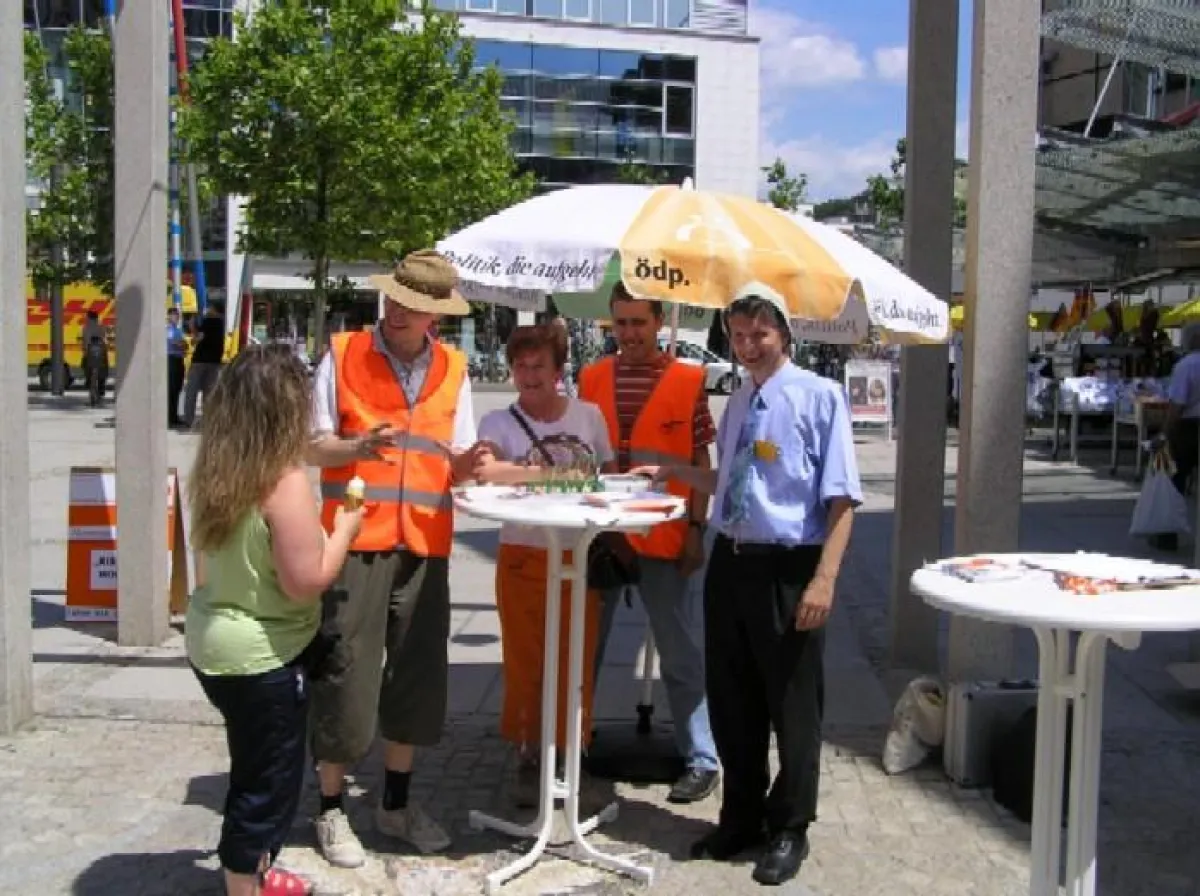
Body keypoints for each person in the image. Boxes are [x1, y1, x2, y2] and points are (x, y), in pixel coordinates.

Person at [637, 291, 861, 886]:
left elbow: (842, 499)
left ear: (784, 334)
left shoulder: (820, 397)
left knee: (792, 705)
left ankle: (790, 828)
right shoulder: (739, 399)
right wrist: (674, 472)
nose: (747, 345)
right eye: (737, 335)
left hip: (789, 567)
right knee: (733, 700)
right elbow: (732, 477)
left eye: (759, 333)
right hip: (730, 563)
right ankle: (741, 816)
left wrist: (825, 579)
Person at [305, 250, 488, 866]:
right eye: (397, 297)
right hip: (355, 540)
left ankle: (396, 804)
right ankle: (330, 811)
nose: (399, 310)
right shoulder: (343, 353)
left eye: (416, 305)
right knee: (345, 672)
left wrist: (470, 463)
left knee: (416, 678)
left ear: (437, 316)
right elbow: (312, 446)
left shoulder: (455, 369)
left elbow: (457, 456)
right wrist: (356, 445)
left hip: (426, 543)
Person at [186, 344, 365, 896]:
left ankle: (255, 869)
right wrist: (346, 531)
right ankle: (245, 882)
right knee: (266, 784)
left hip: (213, 644)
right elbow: (306, 579)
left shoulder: (217, 467)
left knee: (252, 764)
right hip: (262, 657)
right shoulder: (282, 483)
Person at [579, 283, 721, 804]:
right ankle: (575, 739)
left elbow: (702, 462)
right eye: (621, 323)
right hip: (602, 537)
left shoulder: (688, 380)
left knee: (681, 652)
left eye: (639, 323)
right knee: (586, 646)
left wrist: (697, 532)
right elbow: (580, 452)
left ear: (659, 322)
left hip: (667, 537)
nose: (630, 333)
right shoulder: (591, 377)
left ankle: (701, 756)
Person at [473, 324, 616, 807]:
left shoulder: (589, 415)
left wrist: (537, 477)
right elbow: (486, 473)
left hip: (580, 557)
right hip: (522, 556)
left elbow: (607, 477)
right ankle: (529, 754)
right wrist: (556, 475)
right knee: (525, 660)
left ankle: (571, 754)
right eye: (521, 366)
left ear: (559, 370)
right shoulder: (497, 421)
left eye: (539, 366)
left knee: (576, 657)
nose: (529, 376)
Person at [1154, 324, 1200, 551]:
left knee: (1174, 480)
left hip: (1189, 429)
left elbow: (1177, 405)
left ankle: (1167, 535)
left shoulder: (1187, 366)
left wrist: (1164, 433)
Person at [184, 303, 227, 428]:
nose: (207, 310)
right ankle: (208, 419)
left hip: (200, 361)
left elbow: (198, 338)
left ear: (214, 310)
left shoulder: (208, 321)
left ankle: (189, 420)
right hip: (215, 361)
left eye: (210, 308)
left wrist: (192, 327)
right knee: (209, 393)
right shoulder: (221, 323)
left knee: (192, 391)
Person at [79, 309, 110, 400]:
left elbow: (86, 341)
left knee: (85, 367)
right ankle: (101, 387)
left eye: (87, 317)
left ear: (90, 318)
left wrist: (84, 351)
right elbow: (104, 339)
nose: (86, 319)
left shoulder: (86, 327)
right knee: (103, 369)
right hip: (101, 352)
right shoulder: (101, 326)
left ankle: (89, 383)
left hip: (91, 353)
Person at [167, 306, 187, 427]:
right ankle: (170, 417)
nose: (177, 317)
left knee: (177, 389)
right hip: (172, 360)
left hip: (178, 360)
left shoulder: (177, 330)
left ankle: (174, 416)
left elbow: (183, 344)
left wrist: (183, 345)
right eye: (174, 315)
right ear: (169, 316)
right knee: (171, 390)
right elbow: (173, 342)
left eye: (177, 315)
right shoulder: (168, 329)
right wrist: (182, 344)